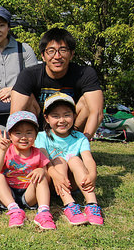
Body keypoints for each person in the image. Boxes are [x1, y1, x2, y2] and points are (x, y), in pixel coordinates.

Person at [11, 27, 104, 139]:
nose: (57, 56)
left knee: (87, 102)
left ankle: (75, 142)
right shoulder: (29, 74)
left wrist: (83, 143)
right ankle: (32, 146)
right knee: (27, 99)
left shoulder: (85, 73)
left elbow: (97, 113)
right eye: (51, 51)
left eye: (63, 50)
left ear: (72, 54)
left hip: (71, 126)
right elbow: (15, 115)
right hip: (38, 128)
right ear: (43, 55)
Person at [36, 93, 104, 226]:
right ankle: (69, 205)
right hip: (52, 180)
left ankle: (92, 204)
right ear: (47, 118)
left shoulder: (80, 137)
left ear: (74, 116)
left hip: (72, 182)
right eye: (55, 116)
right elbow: (44, 161)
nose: (62, 120)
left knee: (75, 160)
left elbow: (88, 159)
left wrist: (92, 174)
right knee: (58, 160)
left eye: (67, 115)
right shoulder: (41, 137)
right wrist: (56, 175)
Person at [0, 111, 54, 230]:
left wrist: (41, 171)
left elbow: (48, 177)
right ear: (10, 135)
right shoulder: (7, 151)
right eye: (18, 133)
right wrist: (3, 151)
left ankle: (44, 212)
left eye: (29, 133)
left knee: (42, 178)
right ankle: (14, 210)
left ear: (36, 135)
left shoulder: (38, 153)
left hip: (29, 194)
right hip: (9, 193)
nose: (24, 137)